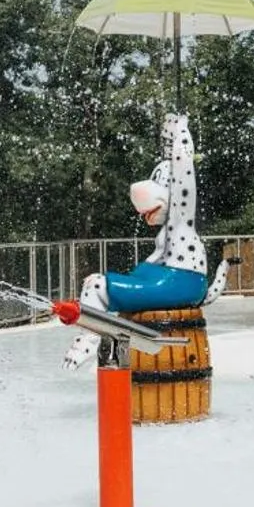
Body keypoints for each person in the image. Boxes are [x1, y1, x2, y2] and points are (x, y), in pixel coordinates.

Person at [64, 112, 229, 368]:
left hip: (178, 283)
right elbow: (149, 268)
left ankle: (88, 341)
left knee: (97, 286)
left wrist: (181, 133)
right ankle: (94, 335)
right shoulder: (169, 233)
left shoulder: (180, 218)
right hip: (177, 281)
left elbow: (184, 172)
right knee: (100, 281)